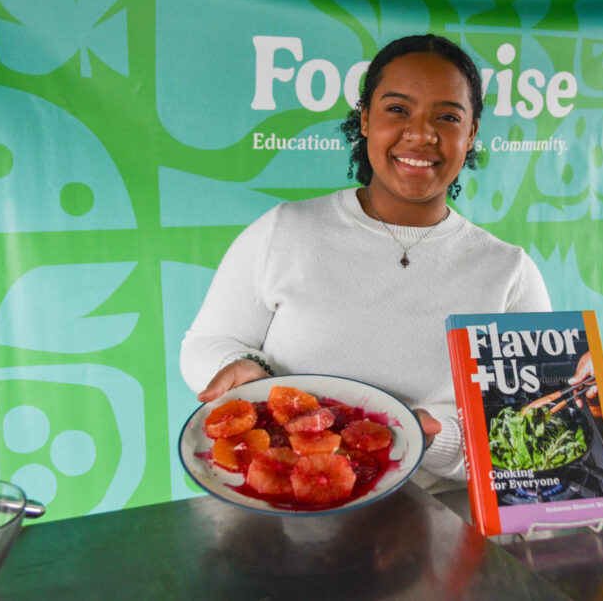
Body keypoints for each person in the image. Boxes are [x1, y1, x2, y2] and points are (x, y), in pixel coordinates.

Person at [180, 34, 551, 491]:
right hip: (276, 514)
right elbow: (207, 341)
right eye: (398, 109)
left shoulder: (509, 273)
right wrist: (243, 366)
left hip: (434, 533)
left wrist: (433, 440)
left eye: (448, 117)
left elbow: (528, 442)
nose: (421, 133)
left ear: (471, 133)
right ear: (366, 119)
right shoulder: (286, 230)